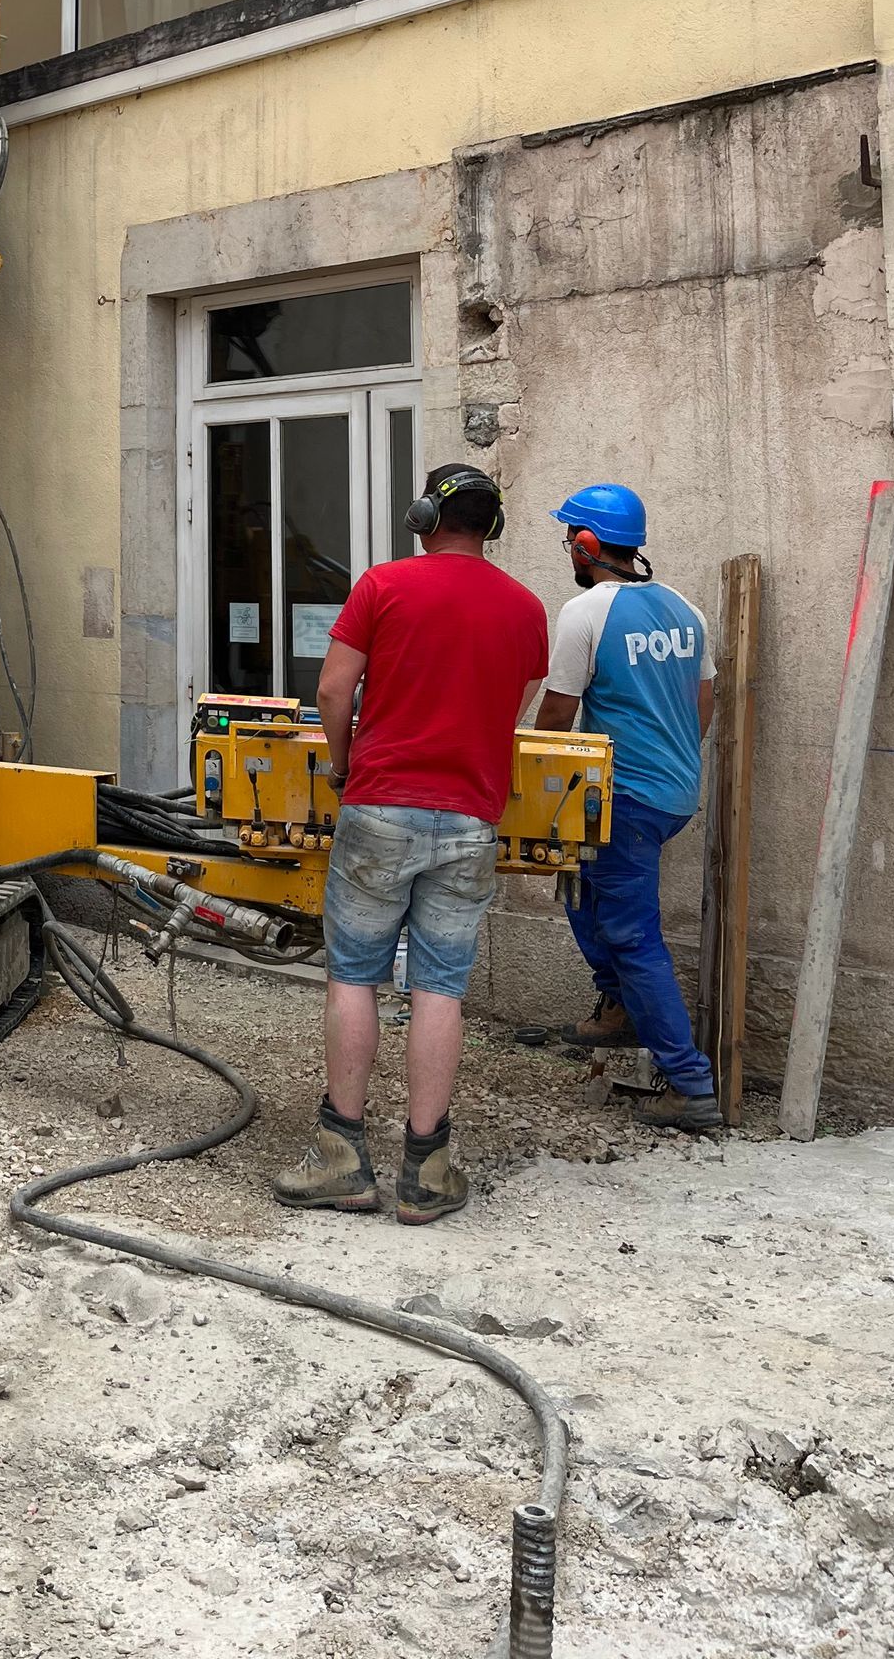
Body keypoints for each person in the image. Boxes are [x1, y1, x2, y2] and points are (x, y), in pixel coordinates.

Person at [275, 462, 550, 1225]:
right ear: (491, 526)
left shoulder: (383, 586)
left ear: (423, 516)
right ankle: (426, 1170)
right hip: (469, 819)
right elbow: (516, 703)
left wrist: (341, 761)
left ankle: (342, 1159)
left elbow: (334, 690)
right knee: (440, 987)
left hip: (381, 807)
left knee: (354, 977)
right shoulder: (527, 608)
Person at [534, 483, 722, 1134]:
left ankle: (689, 1082)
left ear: (587, 545)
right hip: (672, 792)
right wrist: (675, 759)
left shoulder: (586, 612)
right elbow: (705, 699)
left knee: (632, 933)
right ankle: (615, 1010)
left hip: (625, 798)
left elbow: (557, 712)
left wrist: (524, 784)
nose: (567, 550)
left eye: (569, 539)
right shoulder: (685, 609)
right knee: (586, 891)